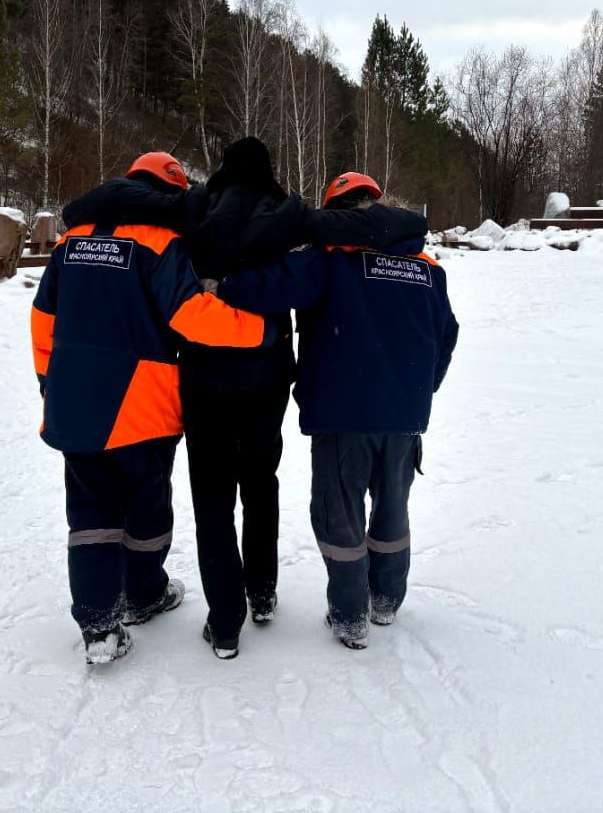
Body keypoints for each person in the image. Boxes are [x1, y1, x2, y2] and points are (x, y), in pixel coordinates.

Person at [62, 140, 429, 659]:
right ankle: (262, 592)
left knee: (212, 498)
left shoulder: (194, 209)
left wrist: (218, 285)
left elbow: (138, 208)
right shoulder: (290, 213)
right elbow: (306, 278)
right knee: (260, 483)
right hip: (266, 375)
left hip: (203, 376)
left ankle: (226, 621)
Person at [30, 151, 273, 665]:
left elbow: (42, 319)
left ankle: (99, 627)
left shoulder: (70, 243)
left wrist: (48, 381)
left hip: (75, 405)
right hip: (143, 404)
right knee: (146, 507)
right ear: (169, 195)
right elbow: (191, 316)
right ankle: (144, 595)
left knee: (91, 515)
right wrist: (258, 330)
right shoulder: (160, 242)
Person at [215, 172, 458, 650]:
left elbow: (272, 287)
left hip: (343, 413)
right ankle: (385, 600)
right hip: (404, 417)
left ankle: (349, 616)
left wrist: (222, 284)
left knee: (339, 516)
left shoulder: (328, 258)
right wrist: (420, 389)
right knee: (392, 511)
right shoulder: (427, 265)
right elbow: (446, 335)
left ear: (334, 212)